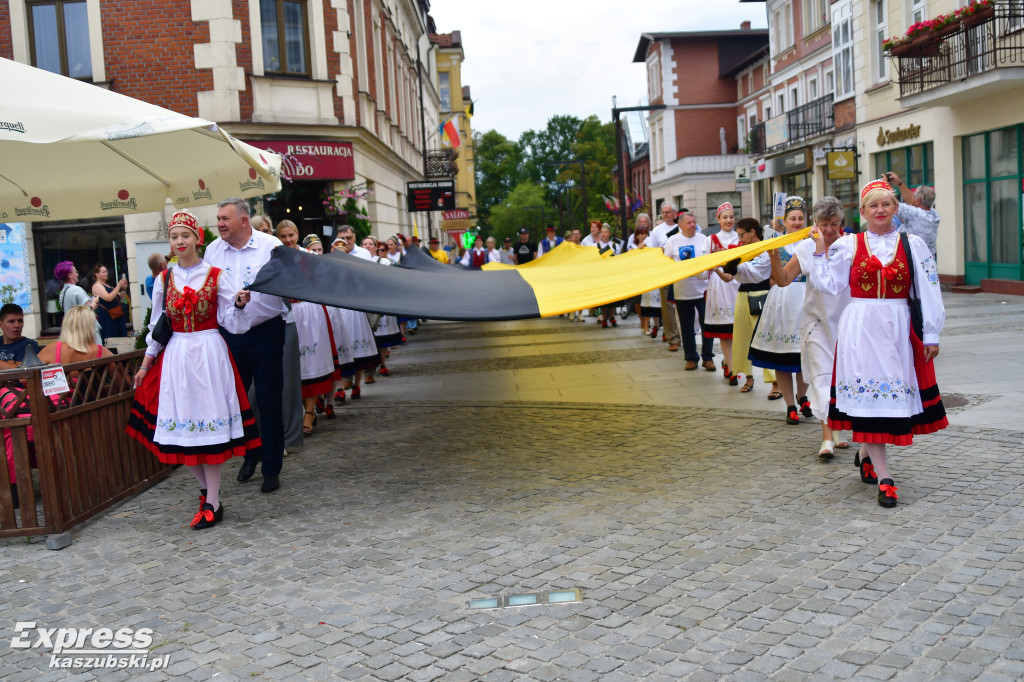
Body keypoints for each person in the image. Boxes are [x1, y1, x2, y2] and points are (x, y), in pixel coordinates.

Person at [808, 179, 947, 508]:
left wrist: (931, 332)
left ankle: (866, 454)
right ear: (863, 211)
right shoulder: (849, 245)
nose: (880, 210)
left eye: (886, 204)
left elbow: (929, 288)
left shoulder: (912, 244)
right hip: (861, 328)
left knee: (886, 401)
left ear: (895, 208)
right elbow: (830, 285)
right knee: (872, 401)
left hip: (897, 327)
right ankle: (885, 478)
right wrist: (818, 252)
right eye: (873, 205)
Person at [127, 210, 258, 529]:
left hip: (209, 353)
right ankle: (207, 493)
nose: (180, 241)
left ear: (198, 239)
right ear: (170, 243)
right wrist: (146, 363)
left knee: (208, 430)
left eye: (185, 235)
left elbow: (232, 321)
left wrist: (239, 304)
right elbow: (157, 324)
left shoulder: (215, 275)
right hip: (176, 357)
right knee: (181, 430)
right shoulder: (163, 280)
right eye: (174, 236)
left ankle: (213, 500)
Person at [204, 198, 290, 494]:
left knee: (268, 401)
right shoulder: (212, 250)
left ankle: (271, 467)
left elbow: (289, 280)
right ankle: (250, 453)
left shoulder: (269, 245)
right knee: (235, 402)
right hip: (229, 334)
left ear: (244, 220)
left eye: (225, 218)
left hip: (266, 332)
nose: (220, 224)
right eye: (218, 218)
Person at [770, 196, 852, 458]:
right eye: (823, 224)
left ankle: (838, 428)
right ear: (815, 223)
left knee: (843, 379)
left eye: (834, 224)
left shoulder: (851, 246)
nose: (828, 231)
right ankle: (827, 436)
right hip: (815, 322)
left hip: (845, 322)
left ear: (842, 223)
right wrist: (773, 256)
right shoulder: (806, 247)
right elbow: (782, 279)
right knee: (821, 378)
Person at [749, 196, 811, 425]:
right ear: (783, 221)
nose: (797, 222)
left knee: (805, 355)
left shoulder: (813, 242)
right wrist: (735, 269)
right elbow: (757, 269)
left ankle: (803, 396)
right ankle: (790, 405)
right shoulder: (775, 243)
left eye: (800, 218)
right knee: (783, 356)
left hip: (807, 302)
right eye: (792, 218)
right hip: (783, 304)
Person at [722, 219, 777, 397]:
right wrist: (733, 268)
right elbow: (739, 275)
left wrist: (737, 267)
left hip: (762, 294)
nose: (740, 238)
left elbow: (757, 271)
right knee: (742, 337)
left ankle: (775, 382)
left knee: (764, 338)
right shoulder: (742, 249)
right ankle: (748, 376)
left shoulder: (765, 248)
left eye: (742, 234)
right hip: (743, 294)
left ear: (752, 231)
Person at [664, 211, 713, 369]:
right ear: (680, 225)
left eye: (694, 222)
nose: (692, 225)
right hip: (683, 292)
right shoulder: (672, 241)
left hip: (703, 290)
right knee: (686, 327)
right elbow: (666, 262)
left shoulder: (703, 239)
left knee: (708, 326)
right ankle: (691, 357)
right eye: (689, 222)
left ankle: (708, 357)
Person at [703, 203, 741, 384]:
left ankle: (729, 362)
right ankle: (733, 370)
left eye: (731, 217)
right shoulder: (711, 240)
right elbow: (703, 269)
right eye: (725, 217)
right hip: (719, 286)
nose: (729, 220)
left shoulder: (740, 238)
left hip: (737, 284)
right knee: (725, 331)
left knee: (738, 330)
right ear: (718, 219)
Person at [648, 204, 682, 352]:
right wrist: (660, 251)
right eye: (663, 212)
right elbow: (651, 250)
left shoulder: (683, 227)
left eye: (668, 212)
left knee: (683, 307)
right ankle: (672, 339)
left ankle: (686, 334)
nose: (666, 215)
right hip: (666, 273)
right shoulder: (657, 231)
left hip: (682, 272)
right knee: (668, 308)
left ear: (675, 213)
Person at [885, 171, 939, 259]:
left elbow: (892, 204)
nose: (911, 197)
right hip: (926, 263)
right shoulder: (933, 214)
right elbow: (911, 201)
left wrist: (885, 186)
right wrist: (899, 183)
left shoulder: (916, 214)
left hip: (912, 263)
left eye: (914, 195)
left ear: (918, 201)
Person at [54, 260, 102, 345]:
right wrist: (94, 301)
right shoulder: (77, 290)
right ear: (70, 275)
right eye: (76, 271)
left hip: (73, 335)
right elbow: (88, 309)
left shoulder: (63, 292)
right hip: (87, 333)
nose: (78, 274)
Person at [0, 304, 41, 369]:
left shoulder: (29, 345)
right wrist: (7, 365)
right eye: (11, 321)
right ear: (1, 324)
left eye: (20, 321)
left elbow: (21, 371)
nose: (17, 325)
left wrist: (10, 366)